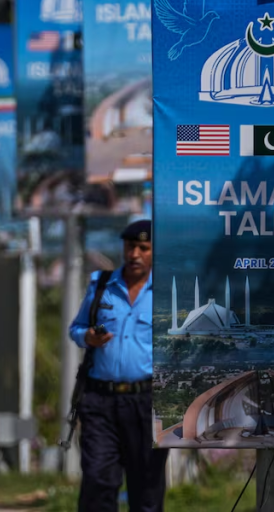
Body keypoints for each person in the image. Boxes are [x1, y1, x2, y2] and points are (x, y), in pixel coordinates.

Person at [69, 219, 169, 512]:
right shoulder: (101, 286)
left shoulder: (167, 292)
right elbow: (76, 328)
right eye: (130, 247)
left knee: (147, 488)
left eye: (143, 248)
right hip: (101, 401)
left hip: (147, 402)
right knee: (97, 479)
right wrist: (87, 337)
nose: (135, 254)